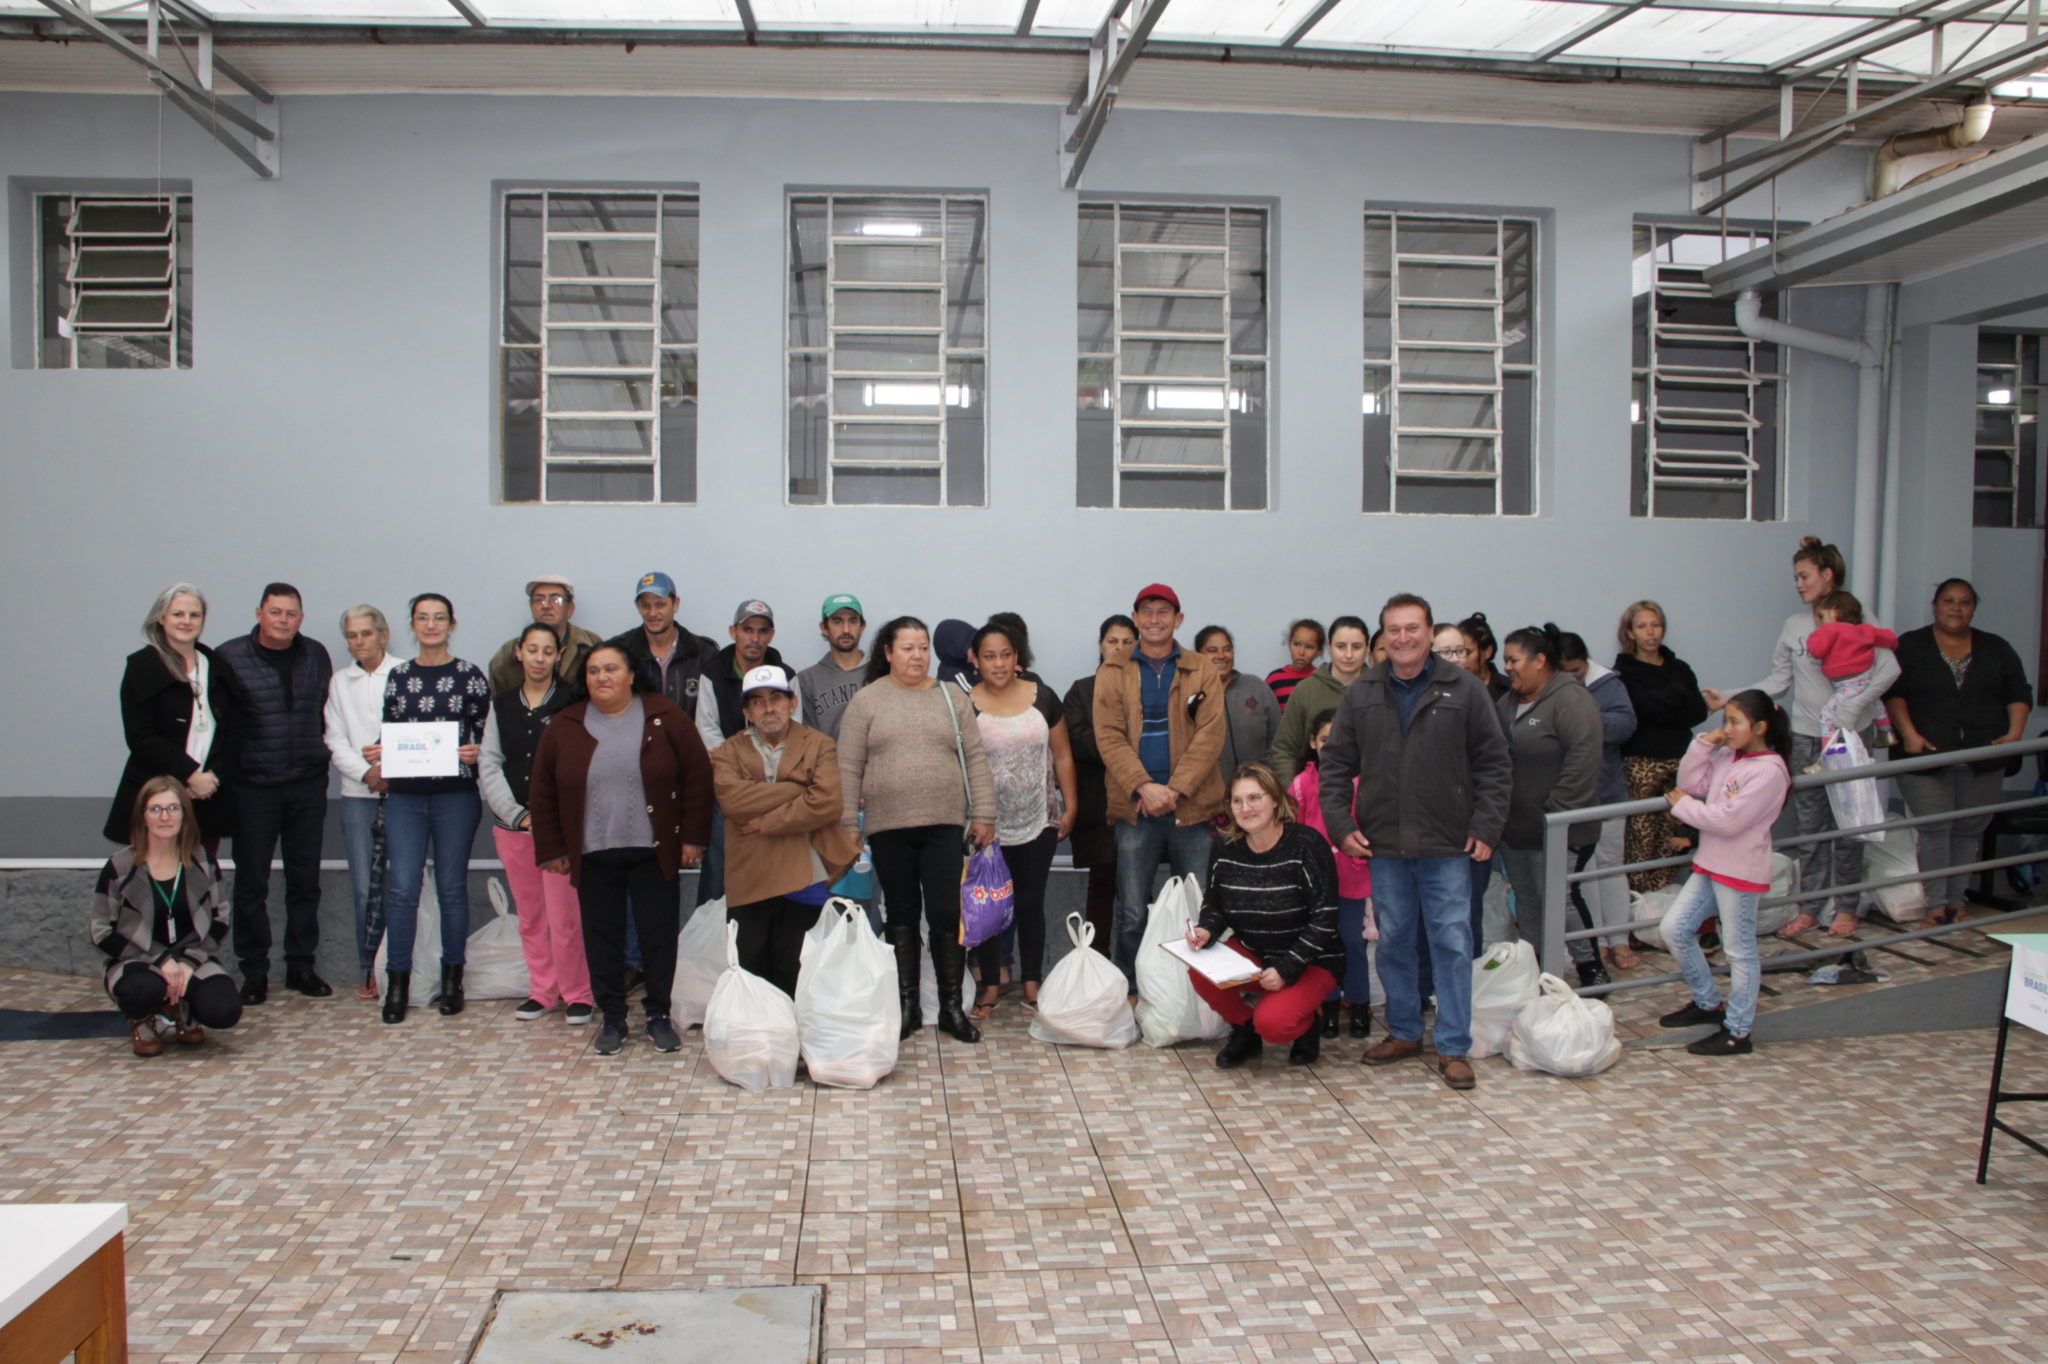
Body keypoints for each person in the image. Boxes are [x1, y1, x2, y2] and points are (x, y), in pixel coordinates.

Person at [1320, 593, 1511, 1091]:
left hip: (1448, 846)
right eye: (1394, 630)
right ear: (1384, 638)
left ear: (1429, 633)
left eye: (1413, 629)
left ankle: (1452, 1045)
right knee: (1395, 942)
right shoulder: (1362, 692)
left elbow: (1495, 764)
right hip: (1383, 847)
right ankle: (1404, 1031)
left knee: (1451, 942)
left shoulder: (1466, 691)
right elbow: (1336, 765)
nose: (1404, 638)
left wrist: (1486, 826)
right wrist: (1342, 826)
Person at [1705, 537, 1899, 937]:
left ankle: (1846, 907)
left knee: (1849, 826)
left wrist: (1852, 706)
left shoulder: (1861, 620)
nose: (1798, 583)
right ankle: (1810, 906)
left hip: (1848, 738)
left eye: (1804, 575)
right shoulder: (1794, 627)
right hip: (1807, 737)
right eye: (1795, 576)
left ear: (1827, 577)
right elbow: (1778, 680)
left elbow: (1889, 668)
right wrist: (1731, 697)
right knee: (1810, 829)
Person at [530, 644, 713, 1056]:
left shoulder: (664, 715)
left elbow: (698, 776)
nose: (602, 677)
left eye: (611, 668)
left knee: (658, 936)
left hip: (654, 850)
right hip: (594, 853)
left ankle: (658, 1015)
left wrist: (692, 839)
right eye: (593, 671)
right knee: (602, 938)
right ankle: (612, 1017)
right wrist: (553, 848)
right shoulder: (565, 724)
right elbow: (542, 791)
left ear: (632, 674)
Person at [836, 616, 997, 1043]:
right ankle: (906, 1006)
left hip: (945, 825)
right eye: (907, 648)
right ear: (887, 653)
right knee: (901, 914)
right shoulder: (867, 701)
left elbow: (977, 759)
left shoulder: (951, 698)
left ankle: (950, 1008)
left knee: (946, 915)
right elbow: (848, 766)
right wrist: (848, 823)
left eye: (923, 647)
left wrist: (985, 814)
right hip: (888, 828)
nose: (917, 655)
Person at [366, 593, 490, 1024]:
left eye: (440, 618)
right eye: (423, 618)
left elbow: (485, 737)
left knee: (452, 887)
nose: (432, 625)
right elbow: (390, 729)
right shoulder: (398, 676)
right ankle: (397, 983)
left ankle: (452, 981)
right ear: (412, 625)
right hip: (405, 796)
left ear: (452, 624)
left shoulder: (470, 676)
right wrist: (379, 752)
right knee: (401, 888)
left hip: (455, 795)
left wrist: (477, 753)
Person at [1094, 584, 1227, 983]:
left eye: (1163, 611)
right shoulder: (1113, 670)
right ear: (1135, 619)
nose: (1155, 619)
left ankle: (1199, 989)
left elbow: (1211, 734)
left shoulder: (1201, 667)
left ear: (1178, 619)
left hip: (1191, 807)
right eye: (1147, 611)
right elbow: (1109, 736)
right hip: (1136, 809)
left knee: (1198, 906)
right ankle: (1131, 986)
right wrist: (1144, 787)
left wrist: (1175, 789)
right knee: (1133, 908)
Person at [1884, 578, 2033, 927]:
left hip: (1983, 758)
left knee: (1968, 829)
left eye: (1965, 602)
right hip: (1924, 756)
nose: (1956, 608)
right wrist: (1909, 735)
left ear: (1974, 608)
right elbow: (1893, 693)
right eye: (1948, 601)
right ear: (1934, 606)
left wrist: (2014, 734)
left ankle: (1957, 901)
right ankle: (1936, 905)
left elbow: (2018, 692)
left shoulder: (1996, 648)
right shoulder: (1911, 645)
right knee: (1935, 830)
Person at [1654, 691, 1793, 1057]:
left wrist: (1683, 808)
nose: (1726, 729)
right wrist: (1703, 744)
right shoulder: (1730, 755)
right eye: (1724, 721)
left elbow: (1728, 821)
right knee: (1674, 929)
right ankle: (1707, 1001)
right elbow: (1692, 782)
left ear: (1760, 727)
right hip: (1711, 862)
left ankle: (1738, 1030)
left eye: (1734, 722)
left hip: (1738, 870)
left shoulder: (1769, 771)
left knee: (1739, 949)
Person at [710, 665, 860, 999]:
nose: (769, 709)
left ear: (792, 703)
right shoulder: (728, 751)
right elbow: (734, 803)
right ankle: (762, 1039)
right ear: (747, 712)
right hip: (750, 873)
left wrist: (765, 822)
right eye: (758, 702)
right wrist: (795, 790)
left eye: (776, 698)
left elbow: (827, 803)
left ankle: (795, 1036)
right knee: (752, 964)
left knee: (796, 965)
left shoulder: (818, 744)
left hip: (803, 872)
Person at [215, 583, 334, 1005]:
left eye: (291, 613)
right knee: (251, 882)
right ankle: (255, 972)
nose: (283, 620)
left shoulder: (316, 655)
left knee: (304, 881)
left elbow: (326, 712)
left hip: (306, 783)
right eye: (275, 612)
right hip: (253, 787)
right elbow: (220, 722)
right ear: (259, 613)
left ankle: (301, 966)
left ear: (301, 618)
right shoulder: (229, 656)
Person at [1188, 764, 1345, 1067]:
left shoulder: (1307, 844)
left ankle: (1306, 1025)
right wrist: (1206, 929)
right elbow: (1216, 903)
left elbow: (1325, 918)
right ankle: (1246, 1030)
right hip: (1254, 952)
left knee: (1275, 1024)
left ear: (1275, 799)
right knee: (1199, 969)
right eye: (1237, 801)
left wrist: (1288, 967)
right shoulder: (1225, 846)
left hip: (1312, 959)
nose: (1246, 808)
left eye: (1255, 798)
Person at [479, 622, 592, 1024]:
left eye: (548, 651)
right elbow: (490, 762)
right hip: (513, 827)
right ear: (519, 653)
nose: (540, 658)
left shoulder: (571, 702)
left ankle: (578, 992)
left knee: (566, 914)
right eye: (533, 650)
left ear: (559, 656)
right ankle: (542, 991)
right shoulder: (502, 704)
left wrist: (548, 817)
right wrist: (516, 814)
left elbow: (580, 764)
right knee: (531, 915)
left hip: (559, 830)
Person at [967, 618, 1078, 1010]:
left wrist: (1071, 805)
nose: (998, 664)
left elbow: (1062, 755)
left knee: (1031, 903)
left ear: (1018, 657)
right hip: (987, 827)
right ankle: (992, 985)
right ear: (974, 660)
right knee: (991, 905)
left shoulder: (1042, 697)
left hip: (1039, 821)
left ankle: (1032, 983)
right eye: (989, 656)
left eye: (1005, 655)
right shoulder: (966, 705)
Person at [91, 777, 242, 1056]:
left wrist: (186, 962)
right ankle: (145, 1018)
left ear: (185, 815)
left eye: (173, 808)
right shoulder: (120, 866)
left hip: (192, 958)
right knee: (141, 991)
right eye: (156, 809)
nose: (165, 817)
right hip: (138, 959)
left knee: (225, 1010)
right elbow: (101, 931)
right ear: (142, 816)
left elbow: (220, 921)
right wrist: (160, 960)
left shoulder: (202, 861)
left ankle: (183, 1010)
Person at [1494, 624, 1608, 987]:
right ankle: (1537, 968)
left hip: (1560, 829)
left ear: (1540, 660)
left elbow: (1583, 759)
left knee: (1560, 899)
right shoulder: (1507, 703)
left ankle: (1591, 967)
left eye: (1513, 659)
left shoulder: (1570, 700)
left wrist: (1555, 815)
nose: (1507, 666)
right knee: (1527, 899)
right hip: (1515, 829)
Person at [107, 584, 238, 858]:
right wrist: (190, 775)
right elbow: (141, 737)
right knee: (155, 882)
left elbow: (234, 732)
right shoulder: (143, 667)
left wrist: (212, 778)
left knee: (199, 881)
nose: (186, 621)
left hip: (206, 796)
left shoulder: (218, 667)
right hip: (157, 793)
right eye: (178, 614)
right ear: (161, 618)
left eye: (195, 615)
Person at [694, 599, 804, 908]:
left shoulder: (786, 675)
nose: (754, 638)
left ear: (771, 635)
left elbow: (794, 731)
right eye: (747, 630)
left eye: (762, 631)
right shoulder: (712, 672)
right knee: (719, 868)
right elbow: (706, 729)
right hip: (728, 790)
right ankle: (714, 942)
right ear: (733, 631)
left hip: (773, 789)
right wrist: (739, 771)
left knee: (775, 867)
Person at [323, 604, 397, 1000]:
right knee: (364, 887)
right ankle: (369, 968)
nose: (359, 642)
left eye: (366, 634)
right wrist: (366, 773)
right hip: (357, 795)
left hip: (403, 794)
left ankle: (402, 965)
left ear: (383, 635)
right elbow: (334, 738)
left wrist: (393, 770)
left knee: (403, 881)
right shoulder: (340, 682)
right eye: (352, 636)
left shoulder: (404, 673)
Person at [1613, 599, 1708, 899]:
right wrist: (1675, 699)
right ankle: (1637, 907)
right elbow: (1640, 710)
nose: (1650, 632)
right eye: (1642, 626)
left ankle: (1663, 904)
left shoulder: (1679, 668)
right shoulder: (1623, 672)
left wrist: (1668, 701)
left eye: (1655, 625)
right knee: (1641, 835)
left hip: (1680, 762)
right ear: (1630, 632)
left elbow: (1697, 712)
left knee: (1675, 833)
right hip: (1640, 762)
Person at [1558, 630, 1641, 972]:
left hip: (1606, 793)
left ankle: (1619, 939)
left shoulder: (1609, 684)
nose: (1572, 679)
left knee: (1612, 868)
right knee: (1583, 875)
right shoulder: (1549, 691)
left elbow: (1625, 724)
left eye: (1577, 672)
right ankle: (1598, 943)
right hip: (1573, 799)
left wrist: (1586, 721)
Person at [1287, 716, 1373, 1039]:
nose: (1332, 746)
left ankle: (1360, 1005)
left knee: (1353, 940)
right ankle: (1330, 1006)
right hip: (1314, 883)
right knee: (1321, 944)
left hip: (1352, 877)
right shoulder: (1300, 784)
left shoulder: (1362, 782)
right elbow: (1292, 829)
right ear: (1312, 743)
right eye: (1324, 740)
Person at [1064, 615, 1137, 946]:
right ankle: (1097, 965)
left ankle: (1138, 970)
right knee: (1102, 886)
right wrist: (1118, 742)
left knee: (1141, 888)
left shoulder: (1146, 686)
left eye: (1127, 642)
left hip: (1141, 804)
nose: (1119, 648)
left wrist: (1111, 741)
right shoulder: (1081, 691)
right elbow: (1076, 741)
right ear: (1100, 646)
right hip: (1097, 805)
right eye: (1112, 641)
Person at [1269, 616, 1370, 785]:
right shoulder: (1306, 690)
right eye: (1341, 646)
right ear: (1329, 647)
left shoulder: (1382, 690)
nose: (1348, 654)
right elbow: (1284, 750)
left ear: (1367, 649)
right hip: (1313, 797)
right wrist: (1295, 794)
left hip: (1369, 798)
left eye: (1357, 647)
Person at [607, 570, 722, 717]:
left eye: (660, 604)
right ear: (638, 607)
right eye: (645, 605)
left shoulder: (704, 653)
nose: (652, 613)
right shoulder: (619, 651)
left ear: (675, 604)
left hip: (688, 739)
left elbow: (715, 715)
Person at [1807, 590, 1898, 757]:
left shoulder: (1830, 630)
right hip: (1866, 675)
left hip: (1848, 682)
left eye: (1820, 615)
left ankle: (1827, 753)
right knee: (1873, 700)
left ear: (1834, 612)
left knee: (1827, 715)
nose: (1816, 620)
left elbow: (1816, 651)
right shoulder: (1862, 630)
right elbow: (1890, 638)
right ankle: (1886, 732)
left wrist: (1814, 636)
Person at [488, 574, 604, 697]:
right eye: (539, 599)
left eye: (556, 599)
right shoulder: (508, 653)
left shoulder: (591, 645)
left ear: (570, 608)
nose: (546, 606)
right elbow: (498, 701)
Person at [1195, 626, 1281, 789]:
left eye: (1227, 649)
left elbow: (1278, 738)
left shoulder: (1256, 687)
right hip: (1211, 794)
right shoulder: (1191, 695)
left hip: (1259, 788)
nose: (1221, 656)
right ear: (1199, 655)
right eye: (1212, 650)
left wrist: (1268, 774)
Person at [796, 593, 869, 742]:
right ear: (824, 627)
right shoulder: (807, 680)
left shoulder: (882, 672)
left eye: (853, 621)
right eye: (837, 621)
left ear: (862, 626)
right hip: (828, 764)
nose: (846, 629)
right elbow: (806, 742)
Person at [1265, 619, 1325, 710]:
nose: (1301, 652)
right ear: (1289, 644)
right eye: (1296, 644)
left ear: (1319, 651)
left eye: (1309, 647)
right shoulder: (1275, 679)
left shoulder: (1322, 679)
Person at [1459, 612, 1512, 702]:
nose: (1461, 659)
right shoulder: (1448, 688)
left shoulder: (1509, 690)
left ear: (1487, 652)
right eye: (1459, 651)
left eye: (1467, 652)